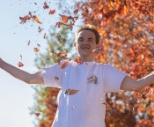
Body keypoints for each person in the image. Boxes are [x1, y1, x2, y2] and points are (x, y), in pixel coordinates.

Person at [0, 24, 153, 127]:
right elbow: (29, 78)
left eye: (90, 39)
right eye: (81, 39)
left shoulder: (103, 71)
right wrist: (2, 64)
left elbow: (137, 85)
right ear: (75, 45)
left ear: (96, 46)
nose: (85, 42)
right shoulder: (63, 68)